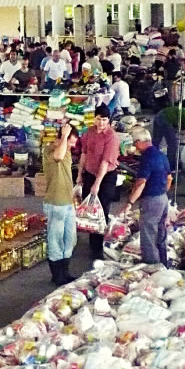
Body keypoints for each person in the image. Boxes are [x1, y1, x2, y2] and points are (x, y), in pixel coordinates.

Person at [120, 127, 172, 266]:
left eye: (135, 143)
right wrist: (162, 192)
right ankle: (163, 262)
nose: (135, 146)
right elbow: (169, 178)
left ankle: (152, 266)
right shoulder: (161, 155)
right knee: (160, 232)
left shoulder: (147, 158)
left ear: (140, 141)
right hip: (163, 199)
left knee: (148, 234)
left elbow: (141, 183)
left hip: (152, 199)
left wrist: (130, 202)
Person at [76, 105, 119, 260]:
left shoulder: (111, 137)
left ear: (109, 121)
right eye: (99, 119)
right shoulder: (88, 133)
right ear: (94, 118)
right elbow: (84, 154)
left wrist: (97, 184)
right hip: (90, 173)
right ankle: (92, 243)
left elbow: (105, 163)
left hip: (106, 177)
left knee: (101, 210)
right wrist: (80, 174)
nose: (101, 123)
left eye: (105, 120)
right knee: (89, 208)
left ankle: (99, 248)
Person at [43, 123, 79, 285]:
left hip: (68, 201)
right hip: (55, 201)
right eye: (72, 141)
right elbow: (58, 157)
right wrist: (64, 136)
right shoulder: (49, 150)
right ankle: (56, 275)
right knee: (55, 239)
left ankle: (65, 272)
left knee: (69, 238)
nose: (73, 145)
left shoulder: (68, 151)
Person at [153, 104, 185, 171]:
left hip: (159, 116)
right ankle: (170, 167)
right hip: (166, 120)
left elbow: (177, 128)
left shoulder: (184, 113)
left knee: (155, 142)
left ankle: (153, 163)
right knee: (172, 145)